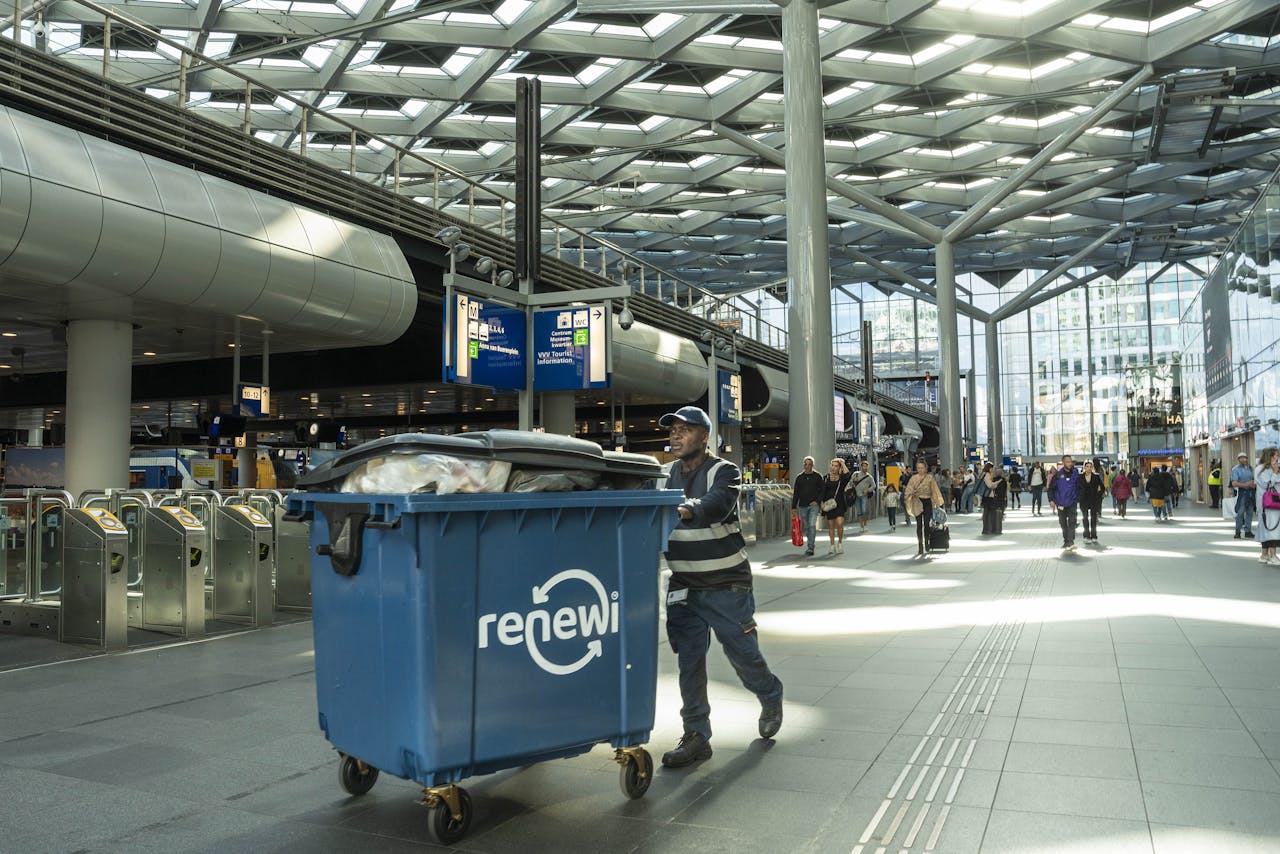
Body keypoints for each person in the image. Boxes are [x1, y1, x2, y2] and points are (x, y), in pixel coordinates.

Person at [657, 405, 784, 768]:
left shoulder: (723, 471)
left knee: (742, 653)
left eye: (685, 429)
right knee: (689, 661)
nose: (676, 436)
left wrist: (681, 509)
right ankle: (696, 734)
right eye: (673, 430)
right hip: (683, 585)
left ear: (704, 436)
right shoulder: (665, 474)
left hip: (726, 584)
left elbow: (716, 504)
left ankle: (769, 692)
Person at [904, 458, 945, 557]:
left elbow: (934, 491)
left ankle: (926, 541)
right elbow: (907, 491)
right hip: (917, 502)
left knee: (926, 523)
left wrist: (937, 503)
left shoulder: (930, 478)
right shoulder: (913, 478)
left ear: (925, 468)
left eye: (922, 468)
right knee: (919, 524)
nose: (920, 470)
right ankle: (920, 546)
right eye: (918, 468)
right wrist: (911, 493)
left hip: (927, 502)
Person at [790, 456, 823, 556]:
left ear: (812, 465)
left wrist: (817, 501)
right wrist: (793, 507)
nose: (807, 466)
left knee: (812, 525)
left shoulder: (817, 476)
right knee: (808, 526)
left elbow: (822, 491)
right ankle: (810, 540)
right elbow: (796, 493)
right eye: (805, 464)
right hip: (803, 506)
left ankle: (810, 547)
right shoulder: (799, 477)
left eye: (809, 464)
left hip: (813, 506)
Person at [1048, 454, 1081, 551]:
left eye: (1070, 461)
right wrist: (1051, 500)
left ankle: (1070, 542)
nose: (1070, 463)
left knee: (1072, 522)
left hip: (1072, 503)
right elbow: (1051, 489)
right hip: (1061, 504)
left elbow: (1080, 487)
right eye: (1067, 462)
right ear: (1063, 463)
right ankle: (1066, 541)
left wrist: (1077, 498)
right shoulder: (1057, 475)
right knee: (1063, 523)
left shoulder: (1076, 474)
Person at [820, 459, 851, 555]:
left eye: (836, 466)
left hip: (839, 504)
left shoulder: (842, 478)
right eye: (832, 465)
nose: (833, 468)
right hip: (829, 505)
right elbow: (822, 491)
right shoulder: (825, 478)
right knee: (831, 526)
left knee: (840, 523)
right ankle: (832, 545)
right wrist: (821, 503)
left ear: (839, 468)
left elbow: (848, 475)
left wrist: (842, 463)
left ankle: (840, 543)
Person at [1256, 447, 1280, 564]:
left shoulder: (1275, 468)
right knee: (1270, 528)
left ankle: (1264, 555)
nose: (1277, 457)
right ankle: (1273, 555)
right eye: (1275, 455)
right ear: (1269, 456)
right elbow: (1266, 484)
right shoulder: (1260, 469)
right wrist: (1275, 473)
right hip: (1266, 504)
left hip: (1276, 503)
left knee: (1268, 528)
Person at [1078, 460, 1108, 545]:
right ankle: (1086, 535)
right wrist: (1078, 497)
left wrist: (1098, 495)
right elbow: (1076, 488)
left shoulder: (1096, 476)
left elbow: (1102, 487)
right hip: (1083, 500)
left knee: (1093, 518)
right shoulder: (1080, 477)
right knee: (1085, 518)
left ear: (1092, 468)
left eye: (1090, 467)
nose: (1088, 468)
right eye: (1087, 466)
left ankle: (1094, 536)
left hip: (1093, 500)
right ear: (1084, 467)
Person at [1230, 452, 1256, 539]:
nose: (1243, 459)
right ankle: (1237, 531)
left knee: (1250, 512)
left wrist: (1253, 484)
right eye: (1241, 458)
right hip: (1242, 494)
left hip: (1251, 493)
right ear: (1238, 459)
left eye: (1245, 458)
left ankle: (1248, 531)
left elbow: (1254, 480)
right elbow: (1234, 483)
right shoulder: (1236, 469)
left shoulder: (1251, 469)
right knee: (1240, 513)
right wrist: (1246, 484)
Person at [850, 460, 877, 534]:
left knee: (864, 510)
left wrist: (868, 490)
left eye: (866, 466)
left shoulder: (869, 477)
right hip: (856, 495)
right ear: (861, 467)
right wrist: (853, 481)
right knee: (859, 511)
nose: (865, 468)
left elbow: (874, 486)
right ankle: (861, 526)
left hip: (864, 495)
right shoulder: (855, 474)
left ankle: (865, 525)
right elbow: (850, 483)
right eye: (864, 466)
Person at [980, 464, 1007, 535]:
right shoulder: (987, 475)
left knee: (987, 512)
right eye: (992, 468)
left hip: (986, 496)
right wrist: (998, 482)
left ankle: (987, 529)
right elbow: (990, 485)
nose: (992, 470)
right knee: (989, 512)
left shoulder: (984, 474)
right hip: (988, 496)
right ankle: (988, 529)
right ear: (989, 468)